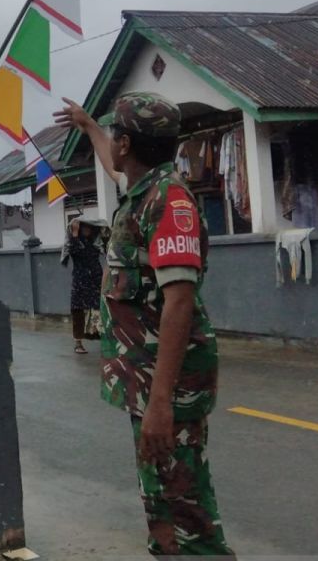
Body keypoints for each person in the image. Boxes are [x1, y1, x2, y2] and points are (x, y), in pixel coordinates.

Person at [54, 93, 236, 558]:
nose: (110, 140)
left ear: (127, 143)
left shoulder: (167, 199)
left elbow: (179, 303)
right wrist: (89, 126)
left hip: (168, 389)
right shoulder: (142, 187)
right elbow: (114, 167)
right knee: (162, 503)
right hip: (149, 383)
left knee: (188, 513)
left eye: (115, 133)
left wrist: (160, 405)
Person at [63, 218, 105, 354]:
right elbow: (74, 252)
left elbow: (103, 248)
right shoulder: (75, 242)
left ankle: (103, 339)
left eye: (90, 228)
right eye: (84, 228)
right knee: (78, 311)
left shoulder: (95, 243)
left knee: (99, 310)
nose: (87, 230)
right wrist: (74, 233)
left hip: (95, 280)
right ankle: (78, 343)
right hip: (80, 281)